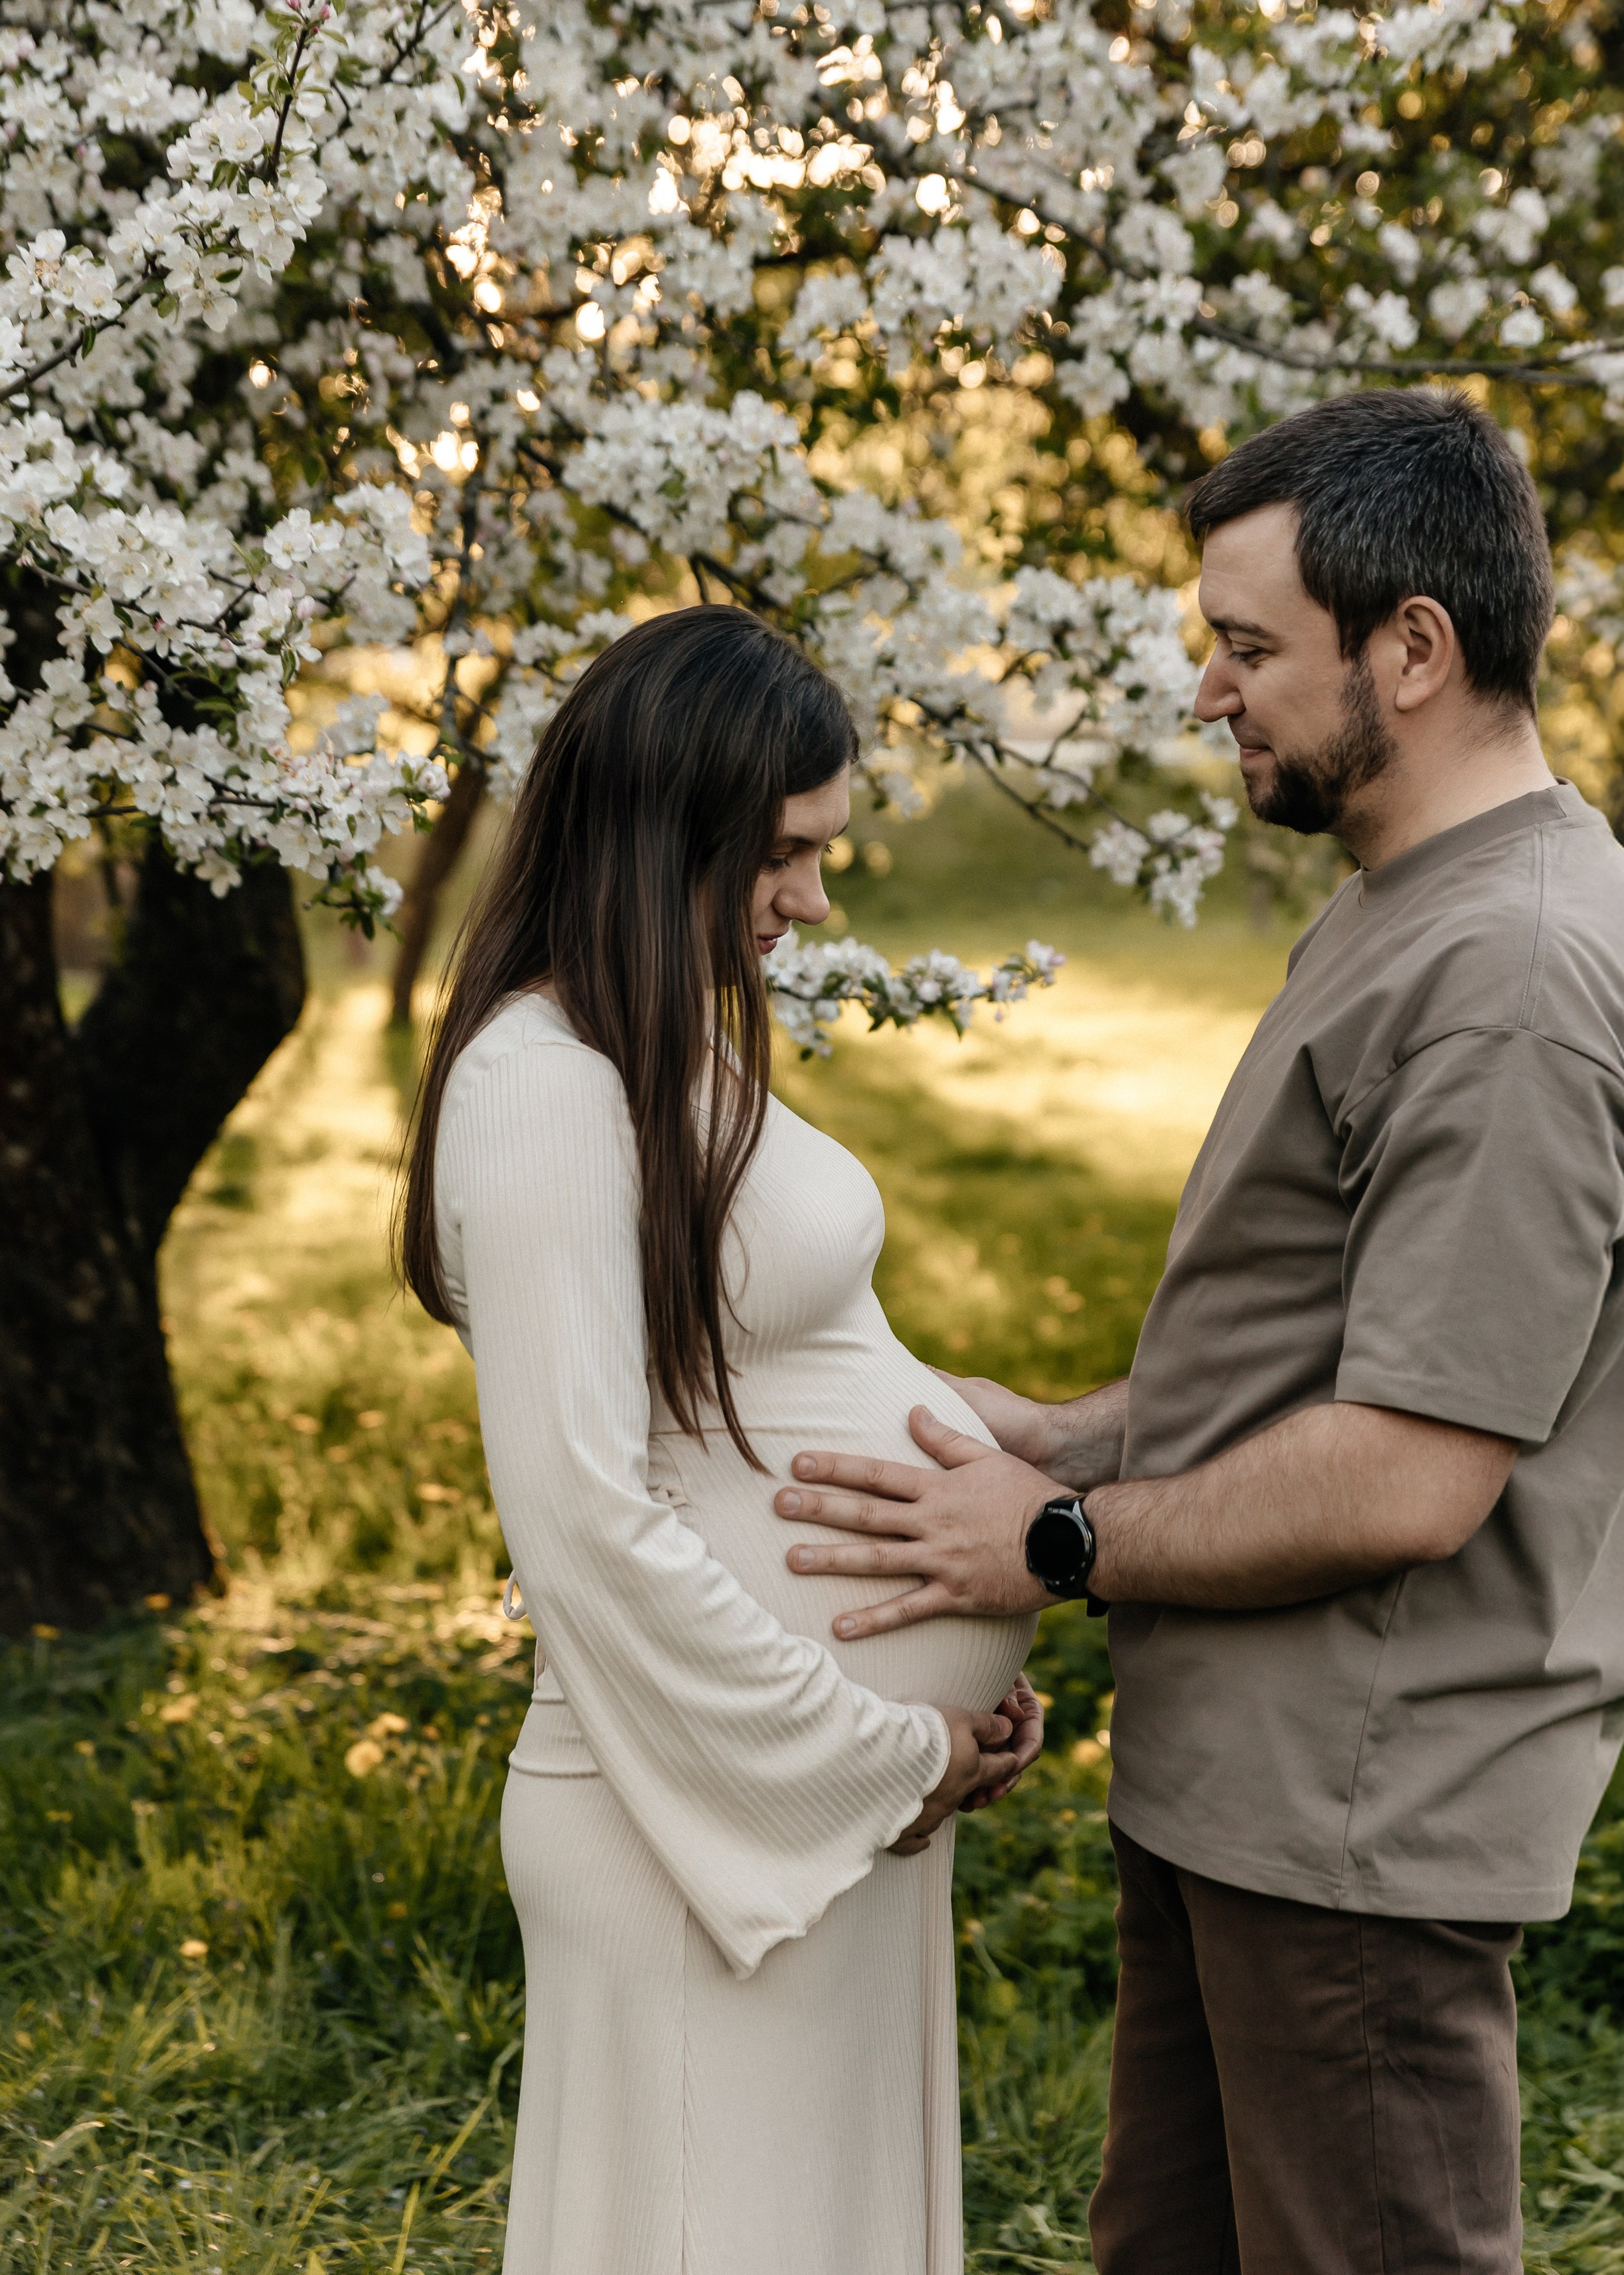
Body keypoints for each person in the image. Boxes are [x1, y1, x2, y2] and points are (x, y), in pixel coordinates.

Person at [771, 388, 1624, 2274]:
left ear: (1412, 650)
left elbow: (1410, 1470)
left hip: (1358, 1816)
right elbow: (1326, 1355)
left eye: (1251, 647)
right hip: (1252, 1793)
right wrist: (1066, 1432)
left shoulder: (1514, 981)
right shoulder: (1414, 906)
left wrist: (1055, 1540)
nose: (1209, 692)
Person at [396, 605, 1042, 2275]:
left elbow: (774, 1371)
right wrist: (882, 1750)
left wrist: (954, 1682)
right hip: (699, 1823)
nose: (813, 901)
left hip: (809, 1808)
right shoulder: (542, 1088)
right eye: (781, 854)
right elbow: (581, 1521)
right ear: (656, 833)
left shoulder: (654, 1049)